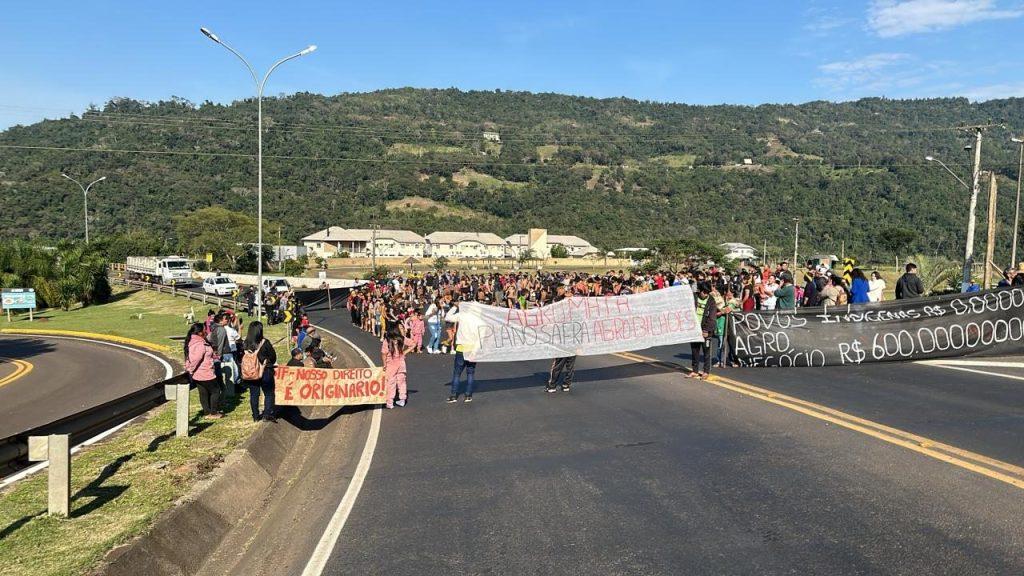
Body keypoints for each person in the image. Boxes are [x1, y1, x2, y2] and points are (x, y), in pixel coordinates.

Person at [184, 323, 222, 419]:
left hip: (199, 374)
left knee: (203, 392)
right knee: (215, 391)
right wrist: (191, 370)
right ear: (200, 332)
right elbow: (196, 359)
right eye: (205, 329)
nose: (206, 331)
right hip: (205, 372)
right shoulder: (200, 343)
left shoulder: (194, 341)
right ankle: (213, 412)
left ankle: (207, 412)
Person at [242, 321, 278, 422]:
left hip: (251, 373)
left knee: (254, 394)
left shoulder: (245, 343)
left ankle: (255, 416)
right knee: (269, 393)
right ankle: (267, 414)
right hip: (266, 371)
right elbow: (273, 357)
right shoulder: (265, 342)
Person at [546, 285, 577, 393]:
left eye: (564, 289)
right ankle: (553, 384)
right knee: (559, 362)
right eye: (560, 289)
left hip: (572, 336)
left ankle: (565, 384)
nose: (563, 290)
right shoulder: (557, 301)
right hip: (561, 336)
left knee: (570, 364)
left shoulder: (574, 303)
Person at [446, 300, 477, 403]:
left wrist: (455, 306)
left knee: (457, 373)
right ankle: (468, 395)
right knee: (470, 373)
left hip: (461, 347)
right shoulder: (478, 319)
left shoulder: (461, 315)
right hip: (472, 348)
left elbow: (448, 317)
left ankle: (454, 395)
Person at [687, 282, 718, 380]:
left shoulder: (711, 301)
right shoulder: (694, 297)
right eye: (703, 292)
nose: (705, 294)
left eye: (707, 292)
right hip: (695, 328)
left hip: (706, 330)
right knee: (695, 351)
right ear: (699, 291)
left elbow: (712, 317)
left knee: (706, 352)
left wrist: (706, 330)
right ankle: (695, 370)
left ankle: (706, 371)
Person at [381, 326, 410, 409]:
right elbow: (413, 344)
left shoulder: (387, 341)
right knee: (402, 382)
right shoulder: (402, 339)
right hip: (401, 363)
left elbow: (384, 354)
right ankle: (402, 400)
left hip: (391, 365)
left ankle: (390, 402)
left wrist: (384, 364)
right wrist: (404, 352)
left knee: (391, 383)